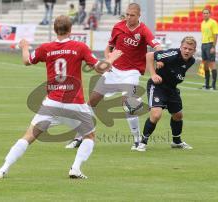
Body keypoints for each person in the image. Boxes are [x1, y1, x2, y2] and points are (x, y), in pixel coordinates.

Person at [0, 15, 122, 179]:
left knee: (29, 136)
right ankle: (76, 169)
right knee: (89, 136)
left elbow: (26, 61)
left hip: (52, 102)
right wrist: (112, 58)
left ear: (54, 30)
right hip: (75, 104)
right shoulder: (79, 47)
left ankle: (3, 169)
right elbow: (100, 69)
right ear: (71, 30)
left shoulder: (46, 48)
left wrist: (25, 46)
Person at [66, 3, 161, 150]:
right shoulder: (118, 27)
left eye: (132, 15)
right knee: (91, 102)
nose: (129, 17)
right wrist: (108, 62)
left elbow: (157, 46)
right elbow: (109, 47)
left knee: (128, 105)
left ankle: (137, 140)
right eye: (127, 14)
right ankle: (79, 136)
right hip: (114, 71)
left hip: (132, 72)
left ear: (138, 16)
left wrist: (160, 58)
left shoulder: (143, 30)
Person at [136, 36, 197, 152]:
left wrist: (162, 63)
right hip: (158, 86)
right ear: (180, 47)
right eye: (185, 48)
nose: (187, 51)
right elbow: (149, 56)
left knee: (178, 115)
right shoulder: (172, 54)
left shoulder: (191, 61)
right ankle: (142, 142)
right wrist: (153, 74)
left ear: (194, 50)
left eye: (190, 49)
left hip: (172, 89)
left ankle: (176, 141)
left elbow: (175, 70)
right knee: (156, 115)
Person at [201, 8, 218, 90]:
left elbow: (215, 35)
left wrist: (213, 47)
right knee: (205, 65)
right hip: (203, 44)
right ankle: (207, 85)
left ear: (210, 14)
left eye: (207, 13)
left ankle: (213, 85)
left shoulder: (213, 22)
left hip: (210, 44)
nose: (205, 14)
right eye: (204, 13)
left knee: (212, 63)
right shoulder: (202, 23)